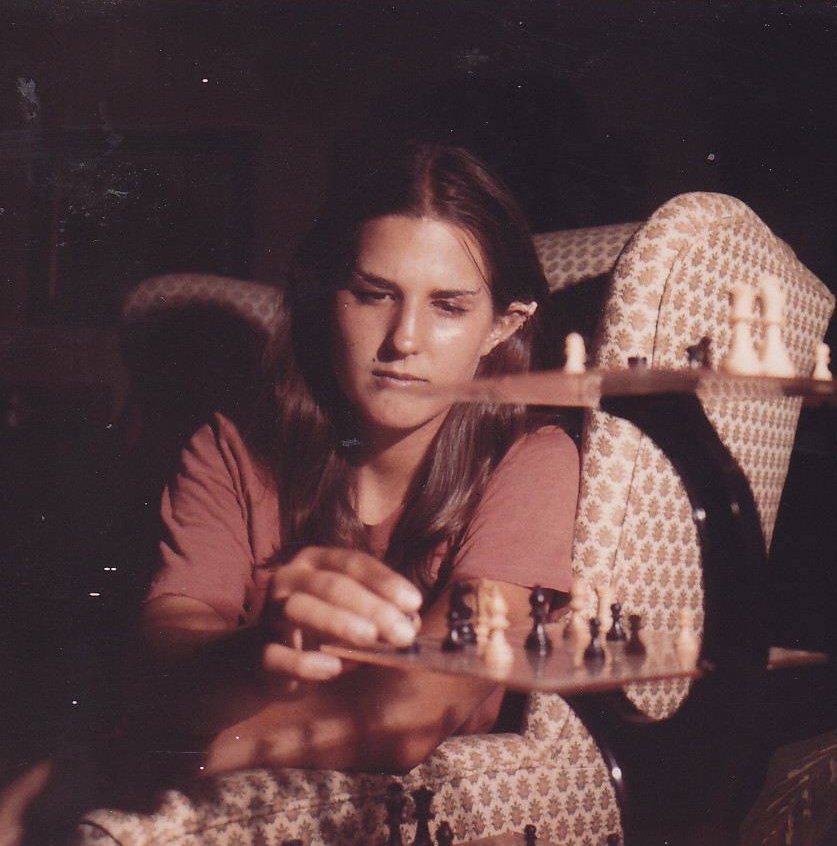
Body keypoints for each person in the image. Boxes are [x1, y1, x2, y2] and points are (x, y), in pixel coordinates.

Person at [129, 141, 580, 779]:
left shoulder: (534, 463)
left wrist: (152, 760)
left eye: (449, 306)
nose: (404, 340)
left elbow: (409, 714)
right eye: (374, 295)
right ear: (326, 298)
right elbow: (159, 656)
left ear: (503, 327)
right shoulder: (232, 450)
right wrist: (259, 654)